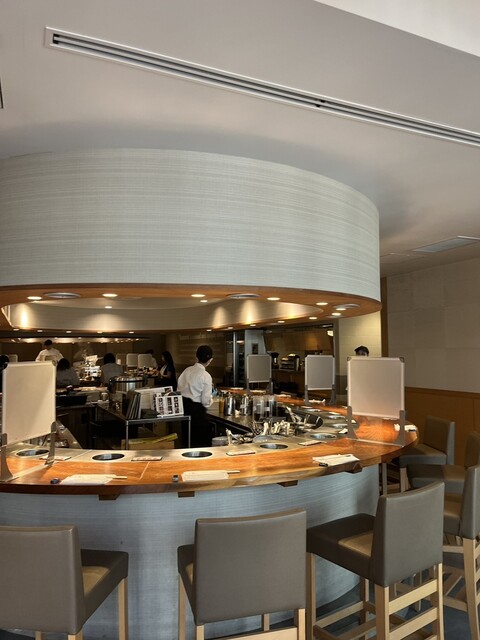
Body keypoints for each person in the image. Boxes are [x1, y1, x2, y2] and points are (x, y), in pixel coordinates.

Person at [177, 345, 214, 447]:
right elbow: (205, 402)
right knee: (199, 444)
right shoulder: (206, 376)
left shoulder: (186, 370)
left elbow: (178, 389)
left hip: (184, 410)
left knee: (186, 441)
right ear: (210, 360)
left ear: (196, 357)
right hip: (197, 413)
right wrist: (211, 398)